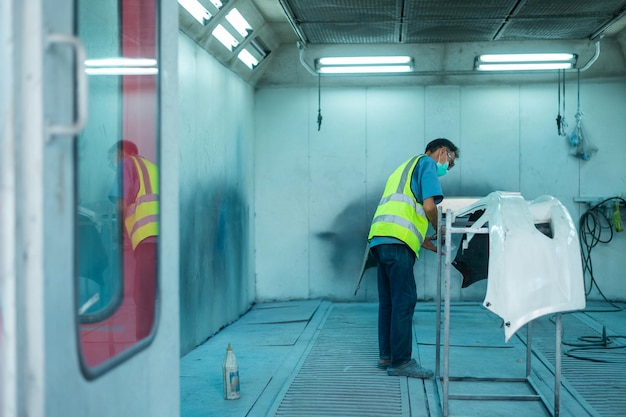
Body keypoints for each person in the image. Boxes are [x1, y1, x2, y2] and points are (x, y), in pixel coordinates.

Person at [368, 138, 459, 378]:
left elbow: (403, 209)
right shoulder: (427, 164)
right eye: (449, 163)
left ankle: (386, 356)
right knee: (405, 301)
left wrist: (421, 239)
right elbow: (430, 206)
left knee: (388, 302)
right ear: (443, 152)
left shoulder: (403, 168)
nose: (446, 169)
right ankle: (402, 363)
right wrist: (439, 228)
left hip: (381, 238)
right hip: (398, 243)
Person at [108, 139, 159, 340]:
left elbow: (121, 202)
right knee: (152, 293)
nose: (113, 164)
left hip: (147, 238)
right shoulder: (152, 168)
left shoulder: (127, 164)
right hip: (162, 239)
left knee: (142, 296)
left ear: (121, 152)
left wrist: (118, 234)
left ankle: (144, 342)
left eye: (112, 158)